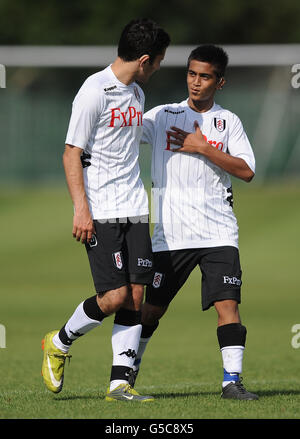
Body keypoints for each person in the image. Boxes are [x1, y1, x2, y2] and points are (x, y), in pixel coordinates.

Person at [41, 18, 170, 402]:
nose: (159, 68)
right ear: (145, 59)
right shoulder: (94, 90)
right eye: (159, 61)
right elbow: (71, 152)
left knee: (134, 295)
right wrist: (81, 208)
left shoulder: (137, 94)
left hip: (135, 208)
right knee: (113, 298)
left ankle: (120, 384)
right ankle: (58, 342)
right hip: (101, 209)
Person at [129, 44, 259, 400]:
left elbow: (246, 171)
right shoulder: (162, 116)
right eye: (191, 73)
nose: (196, 82)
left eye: (205, 76)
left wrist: (203, 148)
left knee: (228, 305)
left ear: (220, 82)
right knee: (151, 310)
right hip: (170, 235)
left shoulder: (227, 122)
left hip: (218, 231)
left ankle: (232, 382)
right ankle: (126, 375)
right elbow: (123, 133)